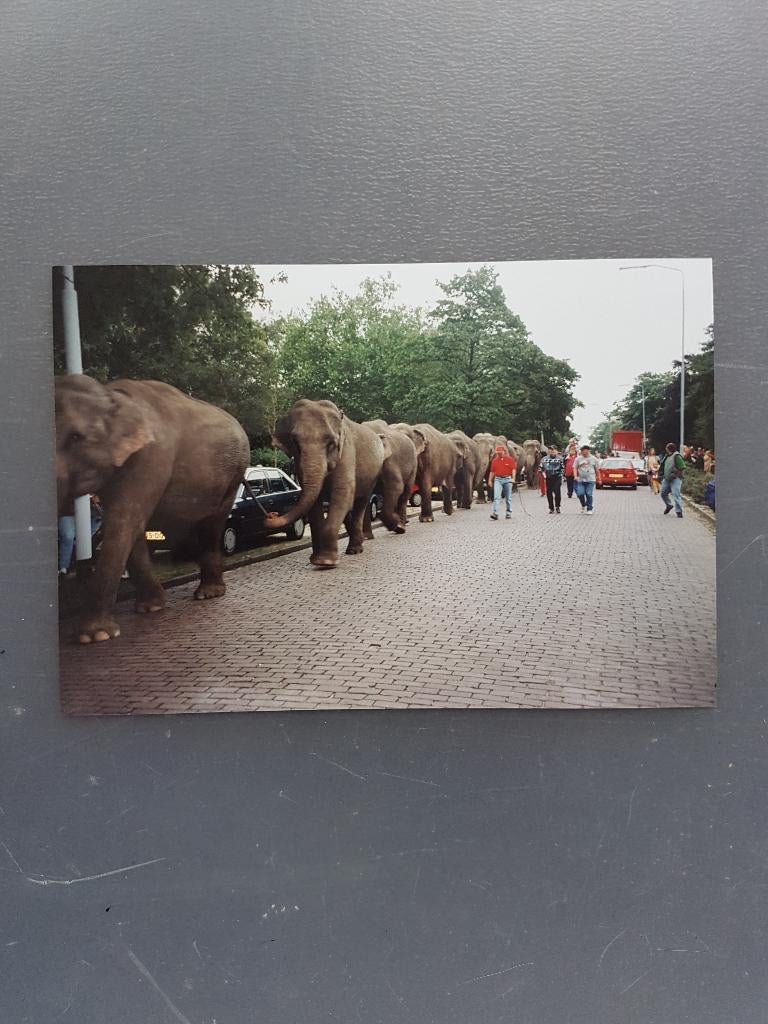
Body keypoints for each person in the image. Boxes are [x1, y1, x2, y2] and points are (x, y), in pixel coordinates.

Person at [488, 443, 516, 520]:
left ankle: (508, 513)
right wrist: (490, 480)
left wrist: (513, 478)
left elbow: (513, 469)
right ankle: (495, 513)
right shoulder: (494, 461)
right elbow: (492, 471)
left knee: (508, 497)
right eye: (497, 453)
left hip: (507, 479)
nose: (499, 454)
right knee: (496, 497)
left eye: (500, 453)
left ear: (504, 451)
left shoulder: (510, 459)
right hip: (498, 479)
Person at [659, 441, 685, 518]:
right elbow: (663, 466)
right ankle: (669, 505)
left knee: (676, 494)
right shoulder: (667, 456)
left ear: (669, 449)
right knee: (663, 493)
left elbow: (682, 467)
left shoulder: (677, 456)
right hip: (667, 479)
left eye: (666, 448)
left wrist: (677, 475)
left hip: (675, 479)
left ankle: (679, 511)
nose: (665, 449)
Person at [572, 444, 600, 515]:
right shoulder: (578, 459)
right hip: (581, 479)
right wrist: (575, 476)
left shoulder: (594, 459)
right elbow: (574, 467)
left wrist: (598, 478)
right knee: (580, 493)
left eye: (583, 451)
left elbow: (597, 469)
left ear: (587, 451)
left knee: (589, 494)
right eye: (581, 451)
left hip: (591, 479)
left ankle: (589, 508)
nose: (582, 452)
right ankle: (583, 504)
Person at [540, 445, 564, 514]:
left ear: (556, 451)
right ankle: (551, 508)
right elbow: (540, 468)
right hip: (548, 477)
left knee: (557, 492)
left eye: (553, 449)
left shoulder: (560, 458)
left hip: (557, 477)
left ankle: (557, 506)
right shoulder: (544, 459)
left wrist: (561, 476)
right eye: (550, 449)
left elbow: (563, 468)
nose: (552, 451)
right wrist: (544, 475)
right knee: (549, 493)